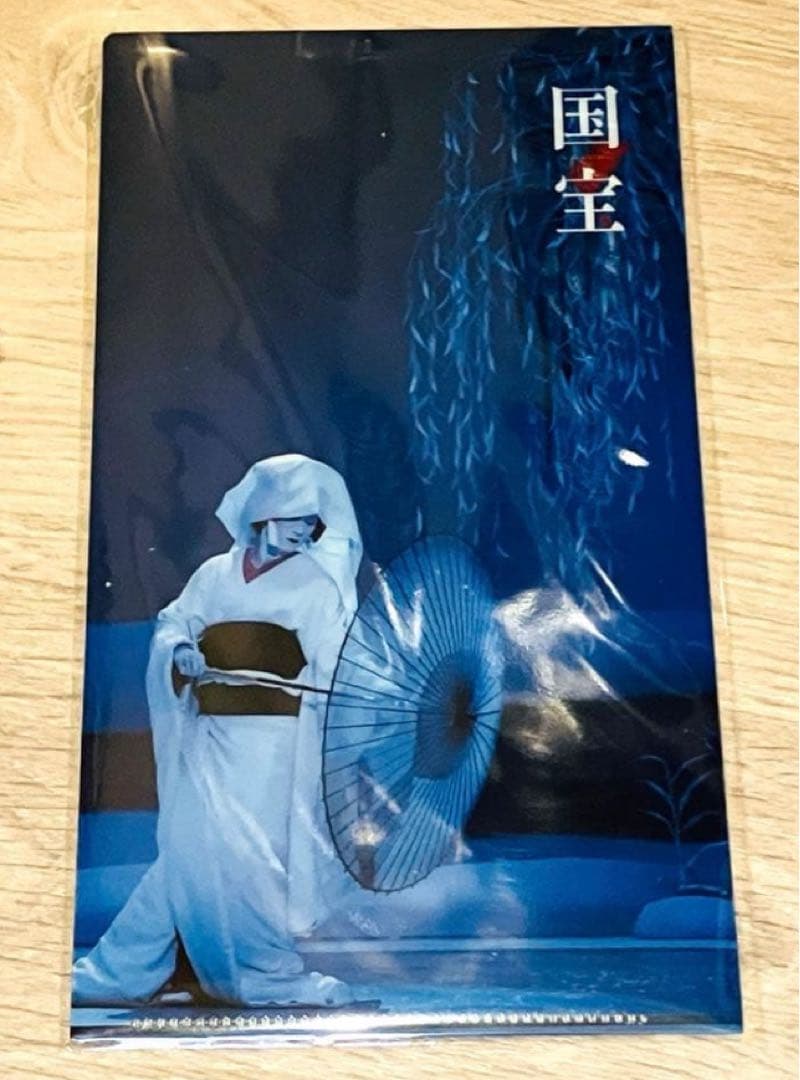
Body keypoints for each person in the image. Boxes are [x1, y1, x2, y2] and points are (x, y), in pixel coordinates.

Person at [73, 454, 364, 1007]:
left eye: (312, 520)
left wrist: (330, 687)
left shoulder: (316, 585)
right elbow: (174, 622)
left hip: (272, 744)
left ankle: (258, 970)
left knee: (250, 858)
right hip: (209, 736)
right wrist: (181, 650)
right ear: (263, 512)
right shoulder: (213, 574)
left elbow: (333, 661)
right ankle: (119, 972)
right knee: (187, 852)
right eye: (295, 516)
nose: (305, 529)